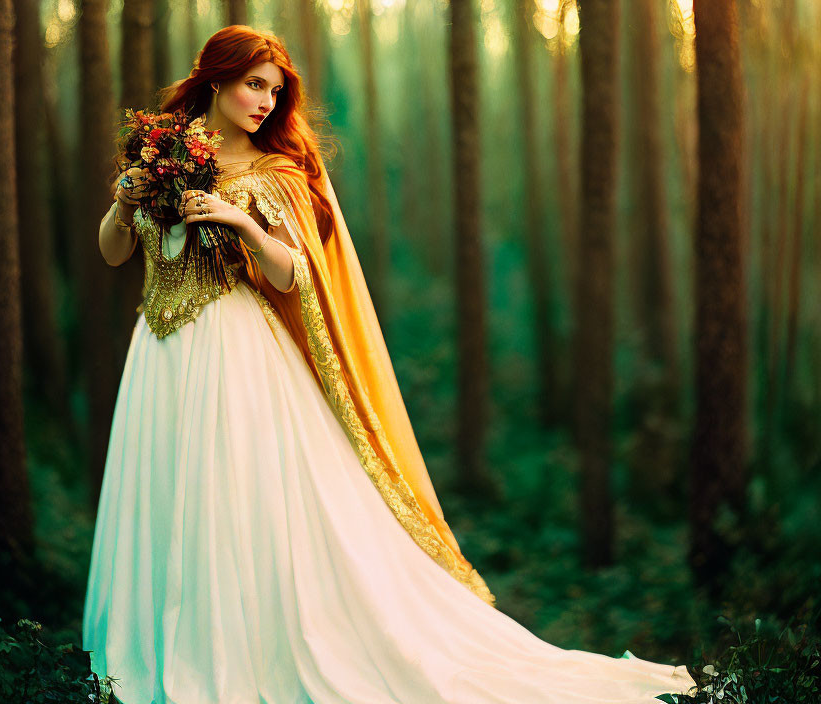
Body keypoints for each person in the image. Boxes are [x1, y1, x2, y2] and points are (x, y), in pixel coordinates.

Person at [82, 24, 698, 704]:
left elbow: (293, 277)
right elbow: (115, 253)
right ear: (216, 79)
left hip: (235, 355)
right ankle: (166, 651)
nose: (264, 102)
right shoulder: (162, 154)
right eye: (254, 85)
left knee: (232, 503)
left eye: (274, 91)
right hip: (159, 354)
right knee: (170, 500)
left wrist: (244, 224)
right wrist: (124, 197)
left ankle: (236, 657)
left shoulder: (274, 173)